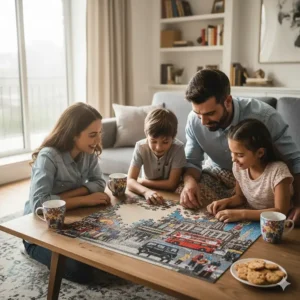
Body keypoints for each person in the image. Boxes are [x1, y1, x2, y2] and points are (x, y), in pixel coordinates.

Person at [180, 69, 300, 225]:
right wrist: (189, 184)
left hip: (261, 178)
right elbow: (192, 161)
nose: (203, 121)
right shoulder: (194, 121)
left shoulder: (266, 117)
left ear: (228, 101)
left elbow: (295, 161)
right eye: (197, 114)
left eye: (210, 113)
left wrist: (298, 203)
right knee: (187, 196)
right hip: (220, 174)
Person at [23, 102, 111, 283]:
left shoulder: (88, 152)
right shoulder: (48, 156)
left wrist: (65, 198)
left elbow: (100, 182)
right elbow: (39, 204)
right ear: (73, 135)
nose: (97, 141)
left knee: (108, 256)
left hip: (70, 219)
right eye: (92, 135)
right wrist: (85, 200)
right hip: (39, 228)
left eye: (99, 133)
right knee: (82, 270)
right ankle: (31, 250)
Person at [207, 119, 293, 222]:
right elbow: (240, 197)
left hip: (279, 222)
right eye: (231, 152)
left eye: (239, 155)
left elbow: (280, 212)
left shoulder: (278, 172)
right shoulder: (239, 168)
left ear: (260, 153)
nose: (233, 159)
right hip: (254, 216)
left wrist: (242, 214)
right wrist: (226, 202)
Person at [127, 108, 186, 205]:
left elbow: (172, 184)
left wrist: (142, 181)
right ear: (147, 135)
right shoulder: (140, 147)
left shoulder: (178, 148)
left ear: (173, 136)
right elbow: (129, 181)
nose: (158, 147)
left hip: (170, 194)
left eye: (165, 142)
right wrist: (146, 191)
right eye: (153, 141)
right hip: (146, 192)